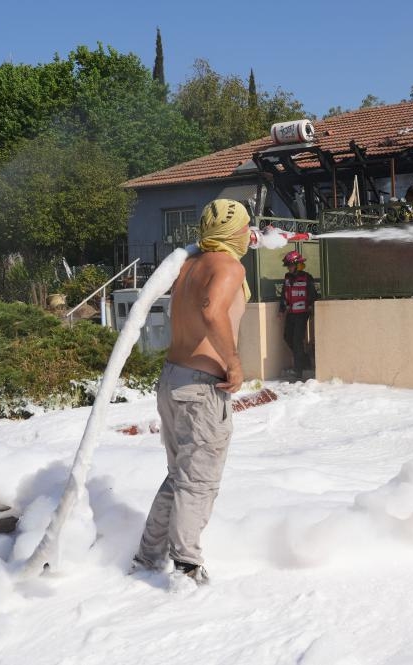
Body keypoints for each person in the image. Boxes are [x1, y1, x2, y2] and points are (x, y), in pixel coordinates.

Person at [133, 198, 251, 587]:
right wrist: (232, 362)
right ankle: (185, 566)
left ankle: (148, 557)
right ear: (234, 232)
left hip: (172, 380)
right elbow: (212, 311)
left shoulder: (189, 265)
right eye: (245, 228)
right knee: (198, 481)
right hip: (200, 389)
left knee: (179, 475)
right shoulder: (228, 265)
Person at [279, 250, 319, 380]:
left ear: (298, 265)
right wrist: (281, 309)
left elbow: (313, 295)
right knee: (287, 337)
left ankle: (298, 371)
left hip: (302, 314)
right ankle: (305, 360)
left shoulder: (307, 277)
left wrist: (311, 308)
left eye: (291, 265)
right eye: (288, 266)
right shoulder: (287, 278)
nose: (289, 268)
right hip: (291, 313)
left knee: (297, 340)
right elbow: (283, 295)